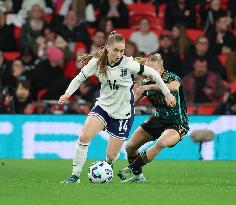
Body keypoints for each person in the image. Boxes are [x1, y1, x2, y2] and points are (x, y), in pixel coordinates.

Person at [58, 31, 176, 183]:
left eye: (122, 50)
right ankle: (74, 176)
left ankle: (108, 169)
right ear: (107, 47)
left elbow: (153, 73)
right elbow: (79, 78)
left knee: (111, 155)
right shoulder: (96, 62)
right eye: (115, 50)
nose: (119, 53)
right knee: (83, 137)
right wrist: (67, 94)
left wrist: (167, 93)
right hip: (103, 107)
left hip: (123, 113)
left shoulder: (128, 64)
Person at [117, 53, 189, 183]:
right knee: (130, 147)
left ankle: (130, 168)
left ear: (161, 70)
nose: (151, 73)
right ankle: (138, 177)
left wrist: (149, 87)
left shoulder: (171, 77)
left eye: (154, 70)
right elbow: (131, 104)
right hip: (158, 120)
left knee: (161, 143)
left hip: (177, 123)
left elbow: (174, 87)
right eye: (148, 70)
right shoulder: (146, 82)